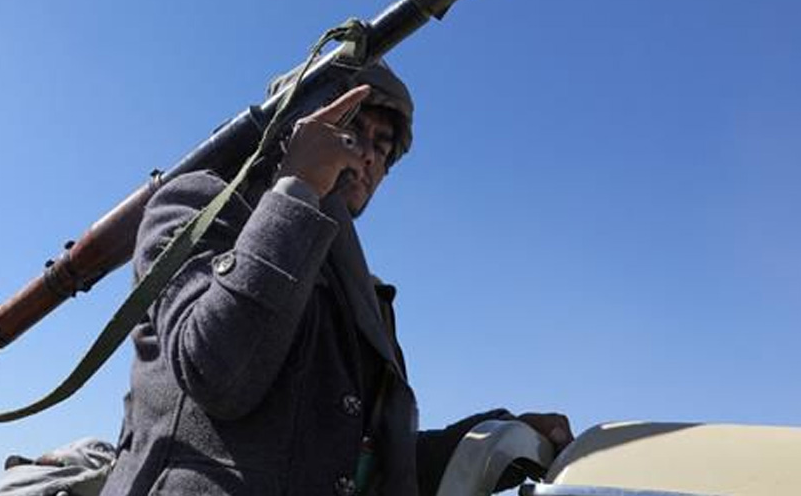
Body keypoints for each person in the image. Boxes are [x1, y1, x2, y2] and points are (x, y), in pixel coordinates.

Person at [99, 62, 572, 496]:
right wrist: (299, 186)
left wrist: (496, 437)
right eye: (351, 128)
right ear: (296, 127)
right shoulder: (196, 205)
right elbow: (218, 373)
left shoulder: (363, 292)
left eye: (382, 146)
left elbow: (365, 463)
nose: (367, 155)